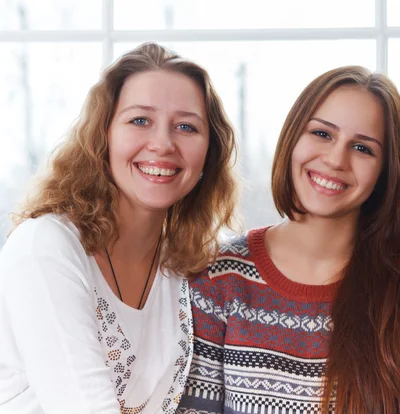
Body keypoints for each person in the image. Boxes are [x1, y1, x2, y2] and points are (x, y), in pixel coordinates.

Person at [177, 66, 400, 414]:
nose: (336, 159)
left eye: (362, 148)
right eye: (322, 134)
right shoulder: (219, 276)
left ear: (385, 171)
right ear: (293, 138)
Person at [0, 42, 238, 413]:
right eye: (140, 120)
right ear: (104, 136)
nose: (162, 144)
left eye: (186, 127)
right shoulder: (45, 247)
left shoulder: (186, 263)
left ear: (209, 153)